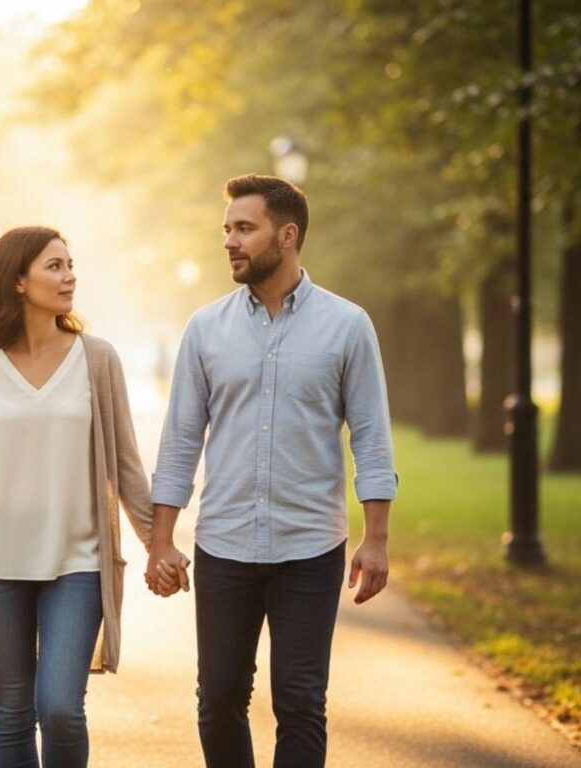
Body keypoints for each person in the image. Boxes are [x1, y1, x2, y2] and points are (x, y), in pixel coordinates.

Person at [146, 175, 398, 768]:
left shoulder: (348, 325)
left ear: (286, 236)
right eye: (227, 229)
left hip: (309, 547)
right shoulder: (206, 328)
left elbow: (371, 436)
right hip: (225, 545)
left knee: (302, 701)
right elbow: (181, 437)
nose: (230, 241)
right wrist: (162, 539)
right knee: (220, 699)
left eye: (244, 229)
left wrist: (378, 538)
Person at [0, 226, 188, 768]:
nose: (69, 276)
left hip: (79, 564)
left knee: (62, 708)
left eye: (70, 265)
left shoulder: (97, 359)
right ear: (18, 280)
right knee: (12, 714)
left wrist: (157, 544)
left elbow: (125, 466)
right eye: (54, 266)